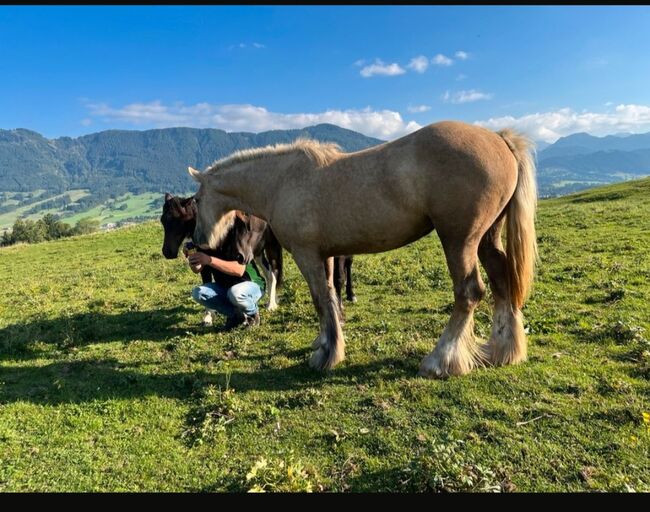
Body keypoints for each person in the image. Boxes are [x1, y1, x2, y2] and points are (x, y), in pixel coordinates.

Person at [185, 227, 266, 330]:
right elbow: (197, 269)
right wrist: (192, 257)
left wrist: (209, 260)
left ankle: (252, 315)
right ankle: (236, 316)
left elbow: (239, 270)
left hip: (252, 285)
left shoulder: (233, 240)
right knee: (199, 293)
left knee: (235, 293)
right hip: (226, 288)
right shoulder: (204, 246)